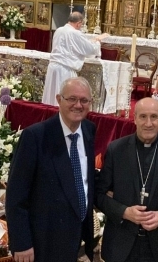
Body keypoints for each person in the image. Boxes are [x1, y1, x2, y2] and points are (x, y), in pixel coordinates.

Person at [6, 77, 97, 262]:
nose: (78, 105)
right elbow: (16, 195)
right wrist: (21, 242)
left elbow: (84, 178)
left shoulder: (88, 130)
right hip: (43, 238)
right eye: (72, 99)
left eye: (84, 100)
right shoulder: (36, 136)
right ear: (59, 99)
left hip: (75, 234)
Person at [96, 97, 158, 262]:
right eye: (143, 116)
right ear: (134, 119)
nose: (148, 123)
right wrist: (124, 212)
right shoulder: (116, 150)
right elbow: (98, 194)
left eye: (154, 117)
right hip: (120, 243)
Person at [41, 11, 109, 106]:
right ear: (79, 23)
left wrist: (91, 42)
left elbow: (73, 46)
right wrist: (97, 41)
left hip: (53, 67)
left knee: (51, 96)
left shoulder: (59, 30)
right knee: (64, 97)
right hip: (64, 70)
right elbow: (89, 49)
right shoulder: (75, 33)